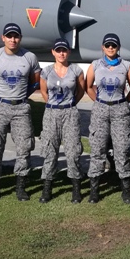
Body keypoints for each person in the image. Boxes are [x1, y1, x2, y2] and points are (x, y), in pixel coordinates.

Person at [0, 23, 41, 202]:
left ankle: (21, 186)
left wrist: (20, 97)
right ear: (3, 38)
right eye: (9, 36)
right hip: (0, 106)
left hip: (21, 108)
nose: (12, 39)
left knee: (24, 146)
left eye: (16, 36)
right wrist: (2, 97)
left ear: (20, 38)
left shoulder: (29, 57)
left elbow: (35, 81)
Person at [84, 32, 130, 204]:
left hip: (120, 109)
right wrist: (99, 102)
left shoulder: (127, 65)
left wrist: (122, 103)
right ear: (103, 47)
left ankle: (126, 190)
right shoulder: (95, 65)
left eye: (114, 45)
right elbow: (88, 86)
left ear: (118, 47)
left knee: (122, 149)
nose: (111, 48)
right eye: (108, 45)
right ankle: (94, 190)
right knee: (98, 148)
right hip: (100, 109)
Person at [38, 38, 86, 204]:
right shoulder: (46, 71)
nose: (61, 53)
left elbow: (80, 90)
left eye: (64, 50)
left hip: (70, 112)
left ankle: (76, 187)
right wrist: (53, 105)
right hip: (52, 113)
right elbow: (44, 91)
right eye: (58, 50)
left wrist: (69, 105)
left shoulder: (76, 70)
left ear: (68, 52)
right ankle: (47, 186)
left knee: (73, 150)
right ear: (53, 52)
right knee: (50, 150)